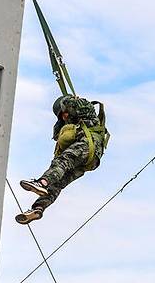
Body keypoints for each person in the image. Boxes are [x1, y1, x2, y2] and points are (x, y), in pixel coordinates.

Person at [16, 95, 109, 224]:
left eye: (64, 113)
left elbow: (72, 104)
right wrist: (63, 120)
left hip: (88, 145)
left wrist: (68, 102)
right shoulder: (71, 123)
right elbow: (57, 135)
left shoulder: (85, 109)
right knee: (58, 183)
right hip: (89, 162)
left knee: (63, 161)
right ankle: (38, 208)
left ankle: (42, 183)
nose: (64, 117)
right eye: (61, 116)